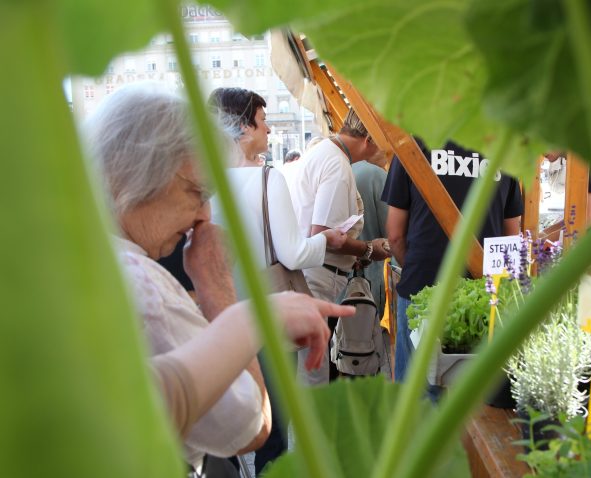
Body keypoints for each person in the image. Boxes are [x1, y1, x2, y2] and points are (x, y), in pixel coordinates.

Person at [84, 83, 355, 471]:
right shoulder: (143, 288)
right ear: (131, 177)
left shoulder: (89, 263)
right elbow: (248, 423)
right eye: (196, 192)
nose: (205, 216)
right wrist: (218, 289)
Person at [207, 87, 347, 474]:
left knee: (228, 431)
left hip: (217, 315)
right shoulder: (268, 180)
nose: (269, 130)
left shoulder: (204, 182)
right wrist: (327, 240)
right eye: (263, 121)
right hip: (267, 318)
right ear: (243, 128)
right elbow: (293, 254)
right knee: (273, 429)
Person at [382, 139, 524, 383]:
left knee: (415, 395)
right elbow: (512, 236)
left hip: (420, 286)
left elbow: (395, 235)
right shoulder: (505, 148)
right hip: (482, 298)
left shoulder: (412, 144)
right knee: (477, 400)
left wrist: (418, 267)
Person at [284, 109, 392, 385]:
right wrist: (369, 249)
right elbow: (325, 234)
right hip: (318, 277)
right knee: (314, 370)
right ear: (368, 138)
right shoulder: (337, 165)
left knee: (311, 365)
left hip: (309, 273)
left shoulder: (322, 153)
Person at [352, 153, 389, 314]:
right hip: (370, 273)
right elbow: (391, 232)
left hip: (339, 274)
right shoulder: (377, 175)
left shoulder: (346, 169)